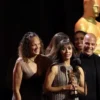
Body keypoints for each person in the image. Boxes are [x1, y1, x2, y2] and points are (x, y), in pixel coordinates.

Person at [12, 32, 51, 100]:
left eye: (39, 44)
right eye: (34, 45)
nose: (37, 47)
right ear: (27, 47)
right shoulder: (20, 63)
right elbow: (16, 90)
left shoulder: (45, 60)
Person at [79, 33, 100, 100]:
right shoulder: (75, 60)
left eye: (92, 44)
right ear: (83, 43)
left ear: (96, 45)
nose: (89, 46)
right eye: (87, 43)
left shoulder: (98, 60)